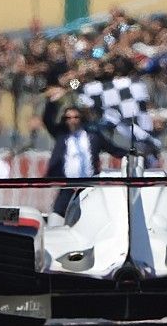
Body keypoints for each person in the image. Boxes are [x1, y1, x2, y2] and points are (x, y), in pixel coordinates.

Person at [43, 88, 128, 225]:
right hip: (68, 185)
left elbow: (113, 149)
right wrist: (53, 102)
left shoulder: (92, 136)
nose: (72, 121)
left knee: (92, 217)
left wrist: (132, 154)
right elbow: (47, 120)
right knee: (57, 217)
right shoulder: (62, 135)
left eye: (76, 117)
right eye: (68, 118)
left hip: (89, 185)